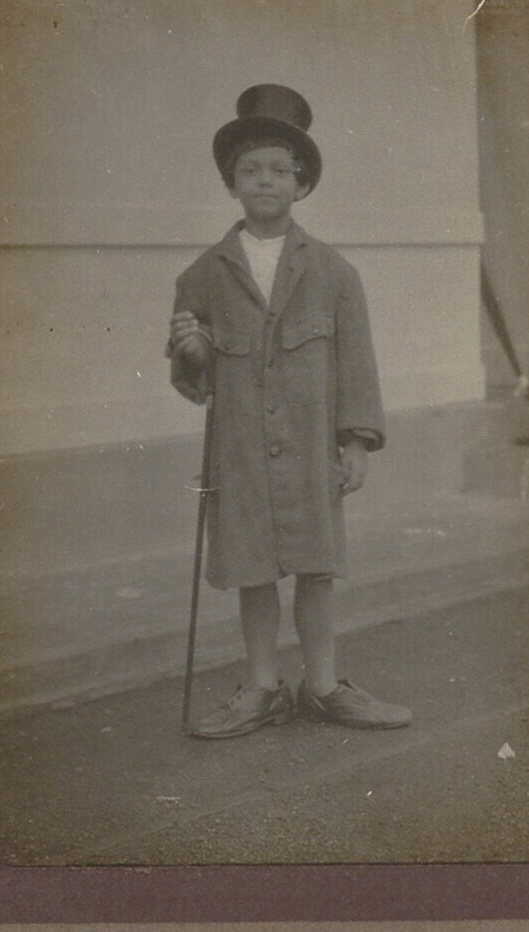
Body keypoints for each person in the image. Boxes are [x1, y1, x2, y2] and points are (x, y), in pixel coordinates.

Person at [167, 83, 412, 738]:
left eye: (280, 170)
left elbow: (356, 364)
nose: (265, 181)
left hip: (309, 449)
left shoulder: (333, 272)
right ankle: (262, 688)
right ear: (231, 182)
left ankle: (325, 686)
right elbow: (195, 379)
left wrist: (355, 441)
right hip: (241, 451)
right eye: (251, 170)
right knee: (252, 571)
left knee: (316, 567)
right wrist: (192, 352)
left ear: (301, 183)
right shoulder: (201, 275)